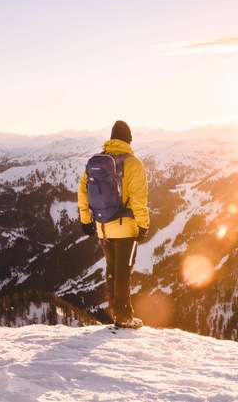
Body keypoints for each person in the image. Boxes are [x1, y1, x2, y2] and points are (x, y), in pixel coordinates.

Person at [77, 120, 149, 328]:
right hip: (125, 227)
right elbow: (138, 199)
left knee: (111, 269)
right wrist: (143, 225)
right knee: (123, 272)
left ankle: (116, 312)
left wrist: (86, 220)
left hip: (103, 226)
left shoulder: (98, 161)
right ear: (129, 139)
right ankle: (124, 316)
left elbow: (82, 192)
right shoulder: (133, 163)